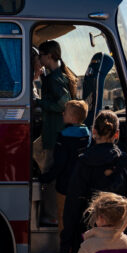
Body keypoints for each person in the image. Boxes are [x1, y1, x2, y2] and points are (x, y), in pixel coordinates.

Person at [62, 110, 127, 253]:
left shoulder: (83, 161)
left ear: (93, 132)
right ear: (116, 134)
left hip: (89, 231)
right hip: (118, 234)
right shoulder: (126, 161)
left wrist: (67, 238)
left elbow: (72, 203)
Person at [34, 40, 78, 226]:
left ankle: (51, 214)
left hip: (53, 132)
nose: (39, 59)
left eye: (41, 55)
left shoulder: (54, 79)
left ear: (49, 56)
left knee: (49, 174)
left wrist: (39, 102)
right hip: (55, 131)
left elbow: (62, 103)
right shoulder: (57, 75)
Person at [38, 100, 91, 235]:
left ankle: (65, 250)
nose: (62, 114)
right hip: (82, 185)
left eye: (65, 112)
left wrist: (45, 178)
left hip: (64, 186)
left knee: (63, 219)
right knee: (79, 219)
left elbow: (59, 164)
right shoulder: (88, 134)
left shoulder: (63, 136)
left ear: (72, 117)